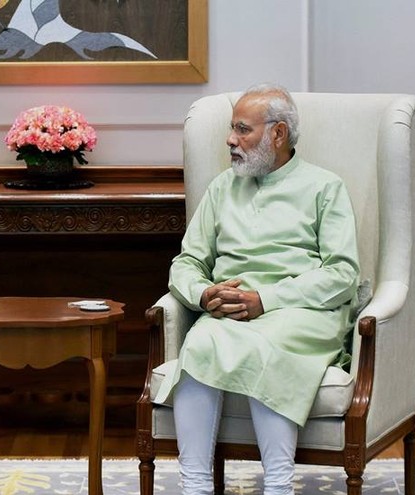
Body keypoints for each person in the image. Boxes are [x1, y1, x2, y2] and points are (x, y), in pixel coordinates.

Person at [153, 84, 360, 495]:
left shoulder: (325, 187)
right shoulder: (221, 187)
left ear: (278, 134)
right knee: (199, 344)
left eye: (242, 130)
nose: (230, 140)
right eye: (232, 129)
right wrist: (204, 294)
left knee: (265, 345)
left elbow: (342, 273)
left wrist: (266, 300)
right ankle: (195, 486)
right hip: (229, 313)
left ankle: (279, 486)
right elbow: (187, 262)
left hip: (301, 313)